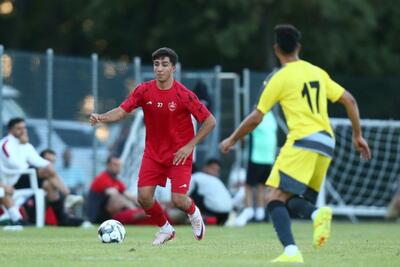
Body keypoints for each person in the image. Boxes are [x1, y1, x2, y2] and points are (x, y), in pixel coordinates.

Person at [220, 24, 371, 263]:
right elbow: (349, 100)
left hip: (302, 141)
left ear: (277, 48)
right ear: (298, 46)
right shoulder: (317, 72)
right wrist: (357, 135)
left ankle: (292, 250)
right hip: (326, 143)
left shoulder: (279, 78)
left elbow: (256, 116)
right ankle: (314, 215)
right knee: (291, 200)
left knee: (273, 198)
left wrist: (232, 138)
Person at [90, 47, 216, 245]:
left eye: (164, 64)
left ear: (173, 68)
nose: (159, 68)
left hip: (179, 155)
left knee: (178, 200)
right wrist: (101, 117)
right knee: (144, 197)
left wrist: (190, 146)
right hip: (153, 154)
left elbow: (210, 121)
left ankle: (194, 213)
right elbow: (122, 111)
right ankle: (166, 229)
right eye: (157, 64)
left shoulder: (184, 95)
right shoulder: (144, 90)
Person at [235, 111, 277, 226]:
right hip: (269, 158)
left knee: (248, 185)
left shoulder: (256, 116)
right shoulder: (271, 117)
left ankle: (248, 210)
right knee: (261, 185)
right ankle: (260, 213)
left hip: (255, 157)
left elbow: (244, 133)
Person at [87, 155, 150, 225]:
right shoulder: (102, 178)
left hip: (109, 214)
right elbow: (114, 195)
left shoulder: (117, 181)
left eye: (119, 165)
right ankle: (134, 212)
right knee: (116, 198)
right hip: (98, 214)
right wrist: (133, 208)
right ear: (108, 165)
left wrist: (143, 203)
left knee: (134, 199)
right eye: (115, 164)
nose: (118, 167)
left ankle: (142, 212)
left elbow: (129, 195)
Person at [189, 159, 233, 225]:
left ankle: (202, 218)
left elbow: (183, 195)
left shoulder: (196, 176)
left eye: (217, 170)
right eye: (212, 169)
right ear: (205, 168)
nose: (214, 172)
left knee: (191, 195)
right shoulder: (218, 181)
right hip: (226, 215)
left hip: (212, 212)